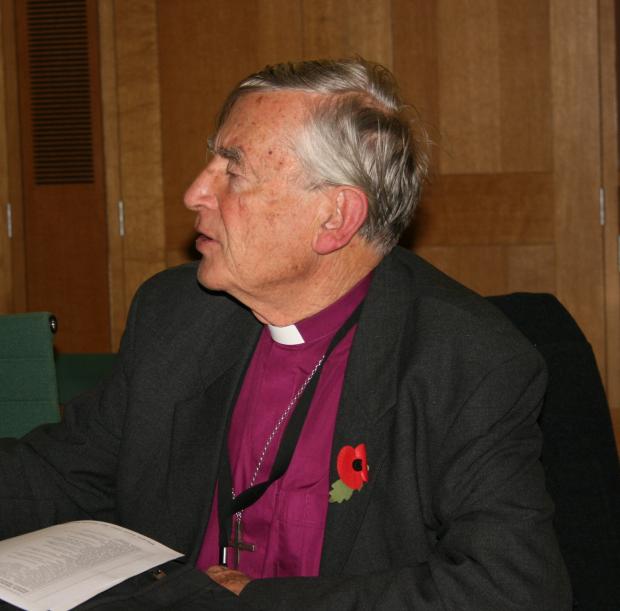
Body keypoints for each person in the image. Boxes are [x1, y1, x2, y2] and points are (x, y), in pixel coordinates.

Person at [0, 58, 571, 610]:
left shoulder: (462, 361)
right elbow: (55, 475)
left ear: (335, 218)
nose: (195, 193)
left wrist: (258, 600)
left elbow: (513, 588)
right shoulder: (177, 313)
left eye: (233, 171)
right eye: (210, 163)